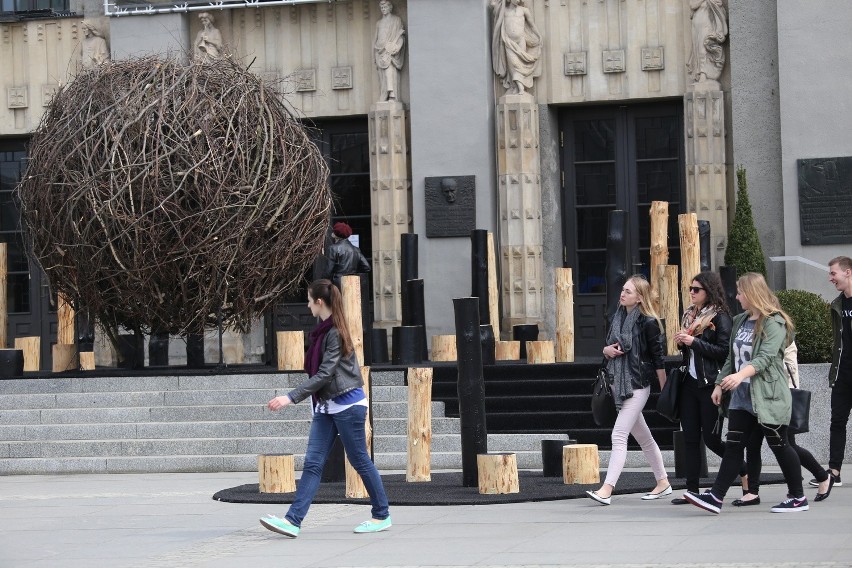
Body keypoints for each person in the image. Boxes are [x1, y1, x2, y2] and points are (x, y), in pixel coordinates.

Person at [260, 279, 391, 537]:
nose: (307, 305)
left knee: (359, 460)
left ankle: (382, 515)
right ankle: (293, 521)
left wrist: (290, 397)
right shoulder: (323, 330)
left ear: (319, 302)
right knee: (313, 463)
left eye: (309, 300)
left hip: (347, 404)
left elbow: (325, 374)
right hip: (327, 406)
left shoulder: (335, 332)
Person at [685, 272, 809, 514]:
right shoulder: (741, 320)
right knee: (733, 447)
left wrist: (740, 376)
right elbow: (732, 358)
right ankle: (716, 497)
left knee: (780, 445)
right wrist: (720, 384)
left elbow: (765, 358)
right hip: (742, 399)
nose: (737, 296)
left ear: (752, 294)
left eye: (741, 292)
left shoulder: (774, 322)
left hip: (767, 396)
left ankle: (797, 496)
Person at [586, 275, 670, 505]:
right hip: (616, 383)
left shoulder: (649, 323)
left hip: (637, 385)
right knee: (644, 437)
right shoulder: (616, 317)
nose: (623, 294)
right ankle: (663, 481)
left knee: (618, 435)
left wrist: (665, 390)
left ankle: (607, 488)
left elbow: (658, 359)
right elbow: (609, 346)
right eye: (623, 290)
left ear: (640, 298)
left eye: (629, 292)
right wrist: (606, 350)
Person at [670, 271, 743, 505]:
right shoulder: (690, 315)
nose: (691, 293)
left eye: (696, 289)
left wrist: (694, 342)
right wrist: (683, 344)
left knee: (711, 440)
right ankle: (691, 491)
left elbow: (724, 352)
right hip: (690, 383)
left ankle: (743, 468)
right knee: (689, 438)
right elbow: (691, 353)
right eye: (690, 289)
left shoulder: (721, 317)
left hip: (711, 384)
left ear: (708, 291)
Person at [737, 340, 834, 505]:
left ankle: (822, 477)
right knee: (752, 444)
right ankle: (752, 492)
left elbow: (789, 370)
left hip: (778, 399)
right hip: (757, 395)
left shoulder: (780, 331)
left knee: (787, 445)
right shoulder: (757, 329)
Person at [807, 256, 852, 488]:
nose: (830, 278)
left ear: (848, 272)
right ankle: (834, 471)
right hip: (843, 374)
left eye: (833, 273)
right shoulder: (837, 304)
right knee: (837, 422)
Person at [490, 0, 542, 95]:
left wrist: (538, 35)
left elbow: (531, 25)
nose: (517, 0)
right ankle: (520, 88)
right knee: (514, 65)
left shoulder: (524, 10)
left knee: (520, 65)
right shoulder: (503, 10)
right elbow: (493, 5)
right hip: (508, 41)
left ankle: (516, 87)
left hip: (521, 41)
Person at [686, 0, 728, 84]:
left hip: (707, 23)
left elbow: (719, 7)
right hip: (696, 24)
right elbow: (693, 5)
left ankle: (703, 74)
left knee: (703, 48)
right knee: (697, 49)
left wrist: (718, 5)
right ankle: (698, 74)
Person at [323, 222, 371, 290]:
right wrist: (353, 272)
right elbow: (367, 267)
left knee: (338, 301)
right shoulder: (356, 249)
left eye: (334, 231)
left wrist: (322, 282)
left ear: (336, 234)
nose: (332, 233)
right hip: (351, 283)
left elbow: (328, 270)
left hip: (337, 284)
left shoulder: (333, 248)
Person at [374, 0, 405, 102]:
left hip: (390, 51)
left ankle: (391, 94)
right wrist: (375, 53)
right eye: (382, 8)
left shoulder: (396, 20)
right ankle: (384, 94)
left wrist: (397, 47)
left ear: (390, 8)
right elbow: (375, 39)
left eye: (385, 7)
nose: (383, 9)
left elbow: (401, 37)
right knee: (382, 76)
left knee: (389, 71)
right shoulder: (378, 23)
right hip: (380, 50)